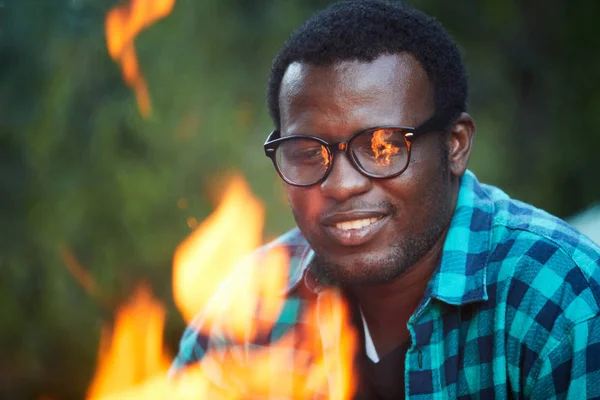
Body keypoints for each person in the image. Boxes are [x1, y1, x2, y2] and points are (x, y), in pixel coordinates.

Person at [170, 1, 600, 398]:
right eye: (307, 152)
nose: (340, 185)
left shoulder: (560, 299)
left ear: (455, 145)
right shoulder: (253, 306)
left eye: (382, 147)